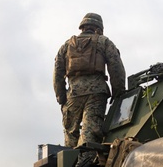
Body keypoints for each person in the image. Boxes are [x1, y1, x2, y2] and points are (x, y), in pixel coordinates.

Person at [53, 13, 126, 147]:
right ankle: (85, 162)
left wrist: (62, 97)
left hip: (73, 94)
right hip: (96, 93)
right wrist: (119, 93)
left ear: (82, 27)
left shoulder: (66, 46)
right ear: (98, 28)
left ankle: (70, 164)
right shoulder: (103, 42)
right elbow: (116, 68)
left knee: (70, 132)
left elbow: (58, 73)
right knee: (90, 131)